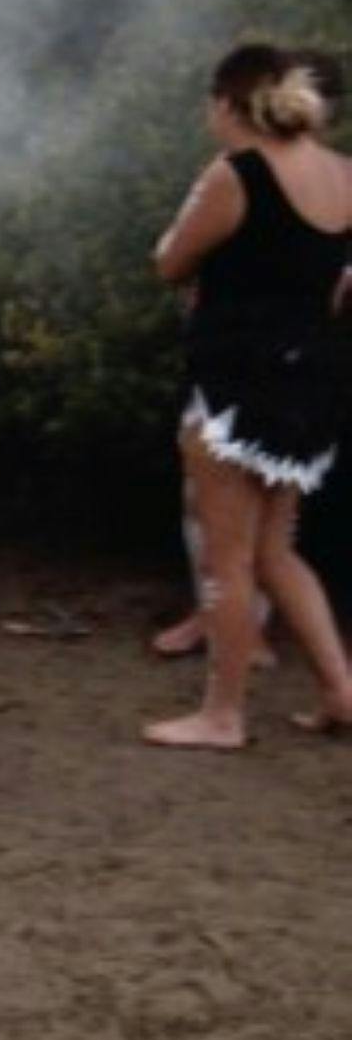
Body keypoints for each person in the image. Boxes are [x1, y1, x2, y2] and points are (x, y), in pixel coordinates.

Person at [143, 43, 352, 750]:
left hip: (234, 384)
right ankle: (342, 691)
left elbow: (169, 261)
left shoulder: (236, 175)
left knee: (225, 558)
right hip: (310, 382)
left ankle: (223, 715)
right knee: (276, 551)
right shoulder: (342, 174)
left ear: (228, 103)